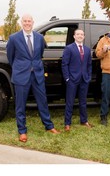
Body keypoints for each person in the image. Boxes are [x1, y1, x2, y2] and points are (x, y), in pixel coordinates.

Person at [6, 14, 60, 143]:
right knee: (20, 104)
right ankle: (22, 131)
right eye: (25, 21)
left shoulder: (40, 38)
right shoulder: (14, 38)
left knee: (43, 101)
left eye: (29, 21)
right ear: (21, 22)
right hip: (21, 76)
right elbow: (10, 56)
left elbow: (40, 54)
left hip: (37, 74)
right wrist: (21, 68)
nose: (27, 23)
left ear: (32, 22)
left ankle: (49, 126)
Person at [61, 29, 93, 131]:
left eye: (82, 34)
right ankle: (67, 123)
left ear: (84, 36)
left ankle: (84, 120)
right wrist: (67, 78)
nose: (80, 36)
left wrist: (88, 76)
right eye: (78, 34)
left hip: (84, 79)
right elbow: (64, 64)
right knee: (70, 102)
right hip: (72, 80)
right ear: (74, 36)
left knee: (83, 101)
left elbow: (89, 65)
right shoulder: (69, 48)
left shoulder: (87, 50)